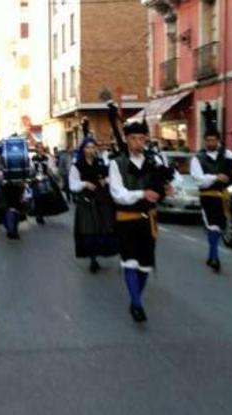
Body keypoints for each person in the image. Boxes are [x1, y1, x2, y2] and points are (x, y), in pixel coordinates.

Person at [109, 118, 171, 323]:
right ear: (127, 140)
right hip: (126, 220)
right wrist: (142, 194)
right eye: (133, 139)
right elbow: (118, 194)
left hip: (148, 222)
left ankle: (136, 298)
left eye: (141, 139)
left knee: (144, 266)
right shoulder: (116, 164)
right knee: (130, 262)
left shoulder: (155, 162)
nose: (138, 143)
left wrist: (168, 190)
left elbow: (169, 183)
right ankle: (136, 304)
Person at [190, 105, 232, 273]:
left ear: (218, 140)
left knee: (220, 227)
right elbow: (198, 180)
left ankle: (212, 255)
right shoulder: (198, 158)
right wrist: (215, 177)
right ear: (205, 141)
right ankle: (214, 257)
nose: (211, 143)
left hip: (223, 197)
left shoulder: (227, 155)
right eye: (208, 140)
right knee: (213, 226)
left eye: (214, 140)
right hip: (208, 196)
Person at [70, 132, 118, 273]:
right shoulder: (77, 166)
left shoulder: (100, 163)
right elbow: (73, 184)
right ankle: (92, 259)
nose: (90, 150)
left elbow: (112, 176)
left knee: (102, 230)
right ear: (83, 149)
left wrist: (105, 180)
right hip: (86, 201)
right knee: (89, 230)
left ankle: (98, 255)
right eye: (88, 147)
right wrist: (84, 184)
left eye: (92, 147)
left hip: (101, 200)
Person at [29, 142, 68, 224]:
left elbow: (52, 168)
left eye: (41, 148)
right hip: (36, 180)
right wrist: (32, 174)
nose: (40, 149)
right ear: (36, 149)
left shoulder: (48, 157)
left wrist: (55, 175)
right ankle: (39, 215)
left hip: (46, 179)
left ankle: (45, 212)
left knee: (48, 196)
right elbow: (31, 168)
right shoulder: (33, 158)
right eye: (38, 148)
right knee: (37, 198)